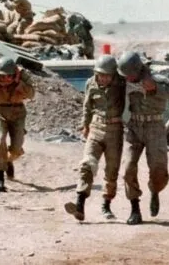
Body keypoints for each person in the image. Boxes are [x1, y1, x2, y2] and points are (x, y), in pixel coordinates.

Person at [116, 51, 169, 225]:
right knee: (128, 168)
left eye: (130, 75)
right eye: (125, 75)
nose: (128, 78)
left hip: (155, 127)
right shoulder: (123, 79)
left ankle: (155, 191)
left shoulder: (156, 78)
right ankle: (135, 209)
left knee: (158, 169)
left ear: (138, 70)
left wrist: (156, 88)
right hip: (134, 127)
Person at [64, 55, 125, 221]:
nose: (103, 78)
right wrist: (85, 125)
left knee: (111, 171)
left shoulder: (122, 84)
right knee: (87, 164)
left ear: (114, 75)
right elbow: (87, 106)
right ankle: (80, 205)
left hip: (115, 131)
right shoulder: (90, 83)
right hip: (96, 128)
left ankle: (106, 205)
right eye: (100, 75)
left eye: (107, 75)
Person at [0, 56, 35, 190]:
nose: (5, 79)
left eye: (8, 76)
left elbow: (31, 94)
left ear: (14, 74)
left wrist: (19, 83)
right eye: (2, 76)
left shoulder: (22, 75)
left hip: (18, 112)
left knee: (17, 147)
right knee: (0, 139)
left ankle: (7, 160)